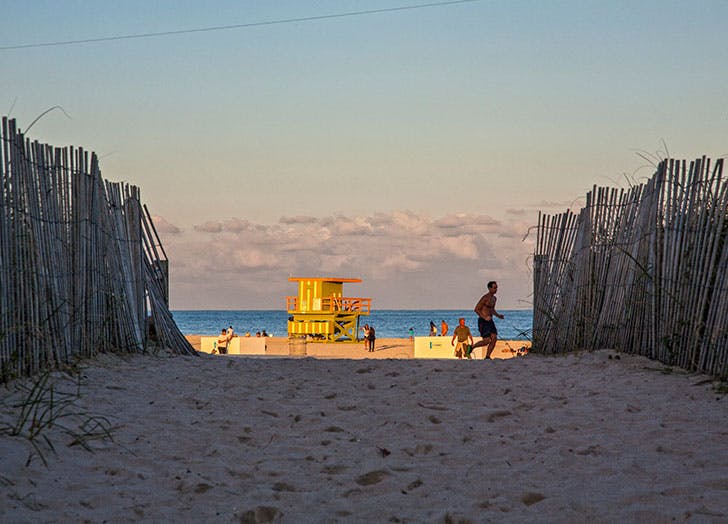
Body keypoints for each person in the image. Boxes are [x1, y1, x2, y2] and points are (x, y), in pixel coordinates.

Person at [471, 281, 504, 359]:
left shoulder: (494, 298)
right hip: (483, 321)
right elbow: (476, 309)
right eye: (494, 287)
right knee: (486, 341)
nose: (496, 289)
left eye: (496, 288)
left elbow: (492, 309)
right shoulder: (485, 298)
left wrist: (498, 315)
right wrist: (484, 317)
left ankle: (487, 356)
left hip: (490, 321)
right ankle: (473, 346)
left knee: (494, 338)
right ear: (489, 288)